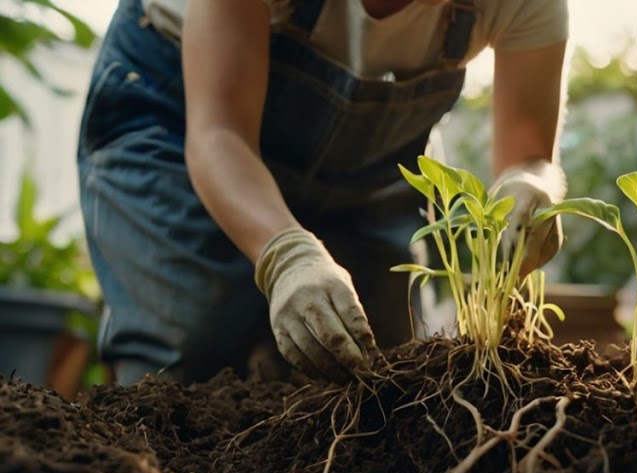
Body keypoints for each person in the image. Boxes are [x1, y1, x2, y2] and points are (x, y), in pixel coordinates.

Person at [76, 0, 569, 385]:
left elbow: (529, 154)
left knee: (384, 373)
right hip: (177, 111)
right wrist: (287, 255)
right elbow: (219, 134)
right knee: (189, 353)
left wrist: (530, 185)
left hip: (370, 164)